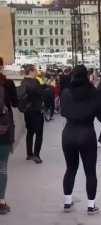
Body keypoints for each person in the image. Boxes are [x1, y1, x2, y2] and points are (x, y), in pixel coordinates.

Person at [61, 65, 101, 215]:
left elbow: (63, 111)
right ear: (87, 76)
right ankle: (91, 205)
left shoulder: (66, 92)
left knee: (70, 168)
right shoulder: (95, 93)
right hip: (87, 133)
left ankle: (67, 202)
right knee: (90, 172)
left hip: (68, 133)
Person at [0, 57, 18, 214]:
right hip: (3, 131)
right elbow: (15, 103)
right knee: (2, 167)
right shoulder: (7, 83)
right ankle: (1, 202)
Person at [20, 65, 44, 164]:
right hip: (36, 111)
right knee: (39, 134)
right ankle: (36, 155)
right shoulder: (35, 82)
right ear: (30, 71)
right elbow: (41, 93)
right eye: (35, 70)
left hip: (27, 111)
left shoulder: (23, 82)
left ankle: (29, 154)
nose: (36, 72)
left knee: (30, 132)